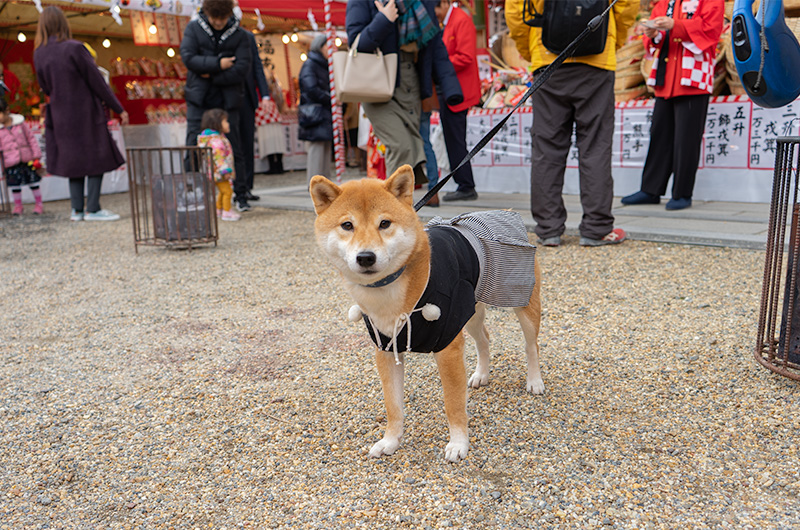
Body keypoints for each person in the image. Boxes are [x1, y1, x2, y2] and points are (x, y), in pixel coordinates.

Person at [506, 0, 636, 247]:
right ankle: (596, 228)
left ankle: (548, 229)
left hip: (548, 59)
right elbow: (627, 6)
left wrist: (531, 48)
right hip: (597, 59)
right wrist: (609, 39)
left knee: (547, 147)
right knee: (596, 145)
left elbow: (515, 11)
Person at [346, 0, 463, 187]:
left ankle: (399, 210)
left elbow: (435, 48)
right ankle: (391, 210)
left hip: (412, 84)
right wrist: (383, 19)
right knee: (401, 146)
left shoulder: (423, 2)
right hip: (378, 85)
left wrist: (451, 88)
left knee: (411, 153)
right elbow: (356, 45)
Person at [621, 0, 724, 211]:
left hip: (692, 78)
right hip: (666, 77)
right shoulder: (665, 2)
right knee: (659, 134)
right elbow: (658, 39)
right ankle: (650, 189)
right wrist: (653, 34)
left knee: (687, 139)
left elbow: (711, 31)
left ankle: (682, 193)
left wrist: (674, 25)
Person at [33, 6, 129, 222]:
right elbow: (98, 83)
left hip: (59, 114)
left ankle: (77, 210)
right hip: (85, 111)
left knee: (73, 160)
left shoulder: (39, 53)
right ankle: (93, 208)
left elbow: (45, 87)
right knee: (97, 155)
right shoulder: (75, 48)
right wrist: (119, 108)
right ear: (63, 23)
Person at [180, 0, 252, 212]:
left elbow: (242, 68)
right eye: (215, 19)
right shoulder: (193, 28)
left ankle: (241, 194)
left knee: (234, 147)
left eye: (223, 18)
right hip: (198, 100)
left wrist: (208, 74)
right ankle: (192, 193)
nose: (219, 23)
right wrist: (219, 64)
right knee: (193, 145)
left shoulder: (240, 34)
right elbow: (188, 58)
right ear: (206, 13)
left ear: (230, 14)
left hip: (228, 100)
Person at [433, 0, 481, 202]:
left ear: (444, 3)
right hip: (450, 89)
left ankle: (466, 185)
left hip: (457, 90)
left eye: (435, 9)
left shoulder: (461, 20)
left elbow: (466, 57)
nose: (434, 14)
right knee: (453, 140)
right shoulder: (450, 20)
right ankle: (463, 183)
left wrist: (440, 64)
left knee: (455, 140)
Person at [239, 27, 271, 203]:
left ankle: (247, 186)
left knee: (247, 144)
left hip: (248, 98)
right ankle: (236, 188)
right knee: (233, 146)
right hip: (227, 98)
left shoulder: (248, 36)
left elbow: (257, 66)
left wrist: (264, 94)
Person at [297, 34, 333, 181]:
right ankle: (315, 184)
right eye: (327, 46)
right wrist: (330, 99)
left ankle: (324, 184)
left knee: (324, 150)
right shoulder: (311, 65)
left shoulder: (322, 65)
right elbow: (311, 89)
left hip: (322, 113)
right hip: (316, 114)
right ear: (320, 47)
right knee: (317, 151)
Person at [0, 97, 44, 215]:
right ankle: (18, 206)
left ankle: (39, 204)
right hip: (10, 161)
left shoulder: (20, 124)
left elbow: (31, 139)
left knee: (33, 182)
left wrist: (36, 155)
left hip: (26, 159)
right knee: (14, 184)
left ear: (7, 111)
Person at [197, 108, 241, 222]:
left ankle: (219, 209)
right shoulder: (216, 141)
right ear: (217, 123)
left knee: (222, 191)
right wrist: (225, 171)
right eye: (225, 121)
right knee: (228, 191)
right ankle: (227, 211)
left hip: (214, 171)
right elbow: (219, 158)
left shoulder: (211, 139)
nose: (228, 124)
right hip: (220, 172)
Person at [419, 95, 440, 206]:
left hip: (411, 102)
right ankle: (433, 191)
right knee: (426, 144)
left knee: (408, 146)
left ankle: (404, 194)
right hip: (425, 99)